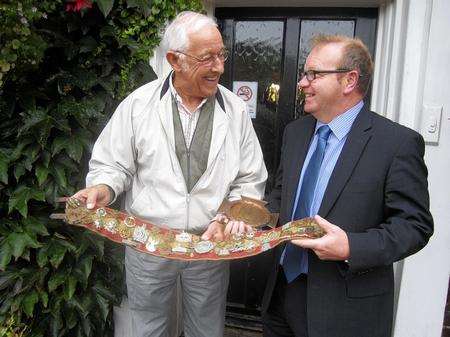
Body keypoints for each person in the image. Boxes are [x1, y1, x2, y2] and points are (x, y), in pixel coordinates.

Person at [72, 11, 267, 337]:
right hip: (148, 247)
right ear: (175, 60)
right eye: (208, 57)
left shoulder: (234, 110)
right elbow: (114, 165)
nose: (220, 66)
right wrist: (102, 189)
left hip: (209, 247)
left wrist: (228, 217)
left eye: (222, 54)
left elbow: (249, 179)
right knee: (145, 329)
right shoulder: (138, 105)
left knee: (206, 330)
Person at [261, 34, 433, 337]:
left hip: (345, 309)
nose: (302, 82)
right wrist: (251, 224)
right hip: (281, 295)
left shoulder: (396, 143)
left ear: (349, 80)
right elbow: (280, 197)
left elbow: (414, 226)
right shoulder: (295, 132)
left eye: (314, 74)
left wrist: (351, 247)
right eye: (305, 74)